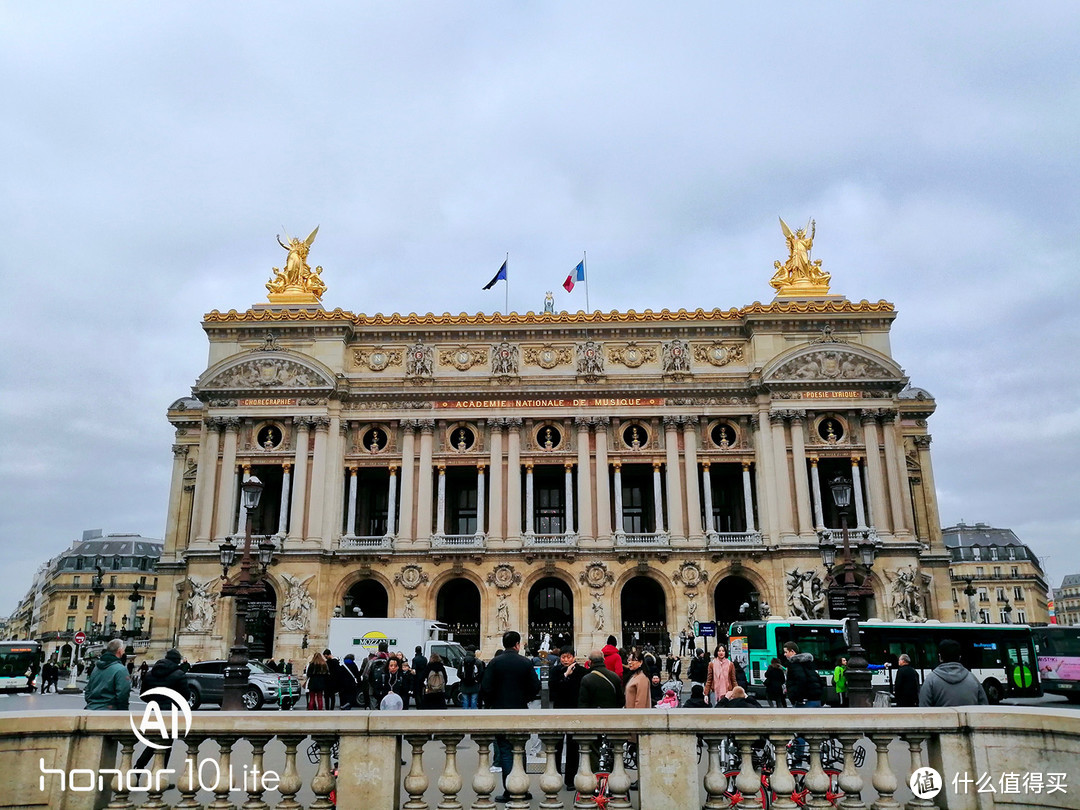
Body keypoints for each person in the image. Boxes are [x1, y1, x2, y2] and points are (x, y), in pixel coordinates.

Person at [481, 631, 541, 803]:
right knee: (519, 748)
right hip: (520, 710)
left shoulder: (494, 662)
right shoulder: (525, 663)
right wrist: (525, 698)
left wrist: (494, 702)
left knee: (506, 751)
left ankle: (509, 790)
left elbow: (486, 688)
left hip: (500, 711)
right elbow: (535, 686)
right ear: (517, 645)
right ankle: (522, 788)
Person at [135, 649, 188, 770]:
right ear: (177, 660)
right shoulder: (179, 674)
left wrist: (154, 702)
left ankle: (139, 767)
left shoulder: (150, 673)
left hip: (154, 712)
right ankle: (160, 775)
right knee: (166, 744)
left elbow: (143, 694)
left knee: (154, 741)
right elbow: (185, 696)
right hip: (171, 713)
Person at [548, 646, 586, 791]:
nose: (565, 660)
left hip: (575, 711)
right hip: (559, 711)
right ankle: (556, 775)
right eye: (563, 657)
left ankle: (570, 779)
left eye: (568, 657)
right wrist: (565, 676)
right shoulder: (556, 671)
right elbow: (552, 690)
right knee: (557, 745)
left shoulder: (582, 672)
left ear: (574, 657)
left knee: (573, 746)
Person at [919, 640, 988, 707]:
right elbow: (984, 706)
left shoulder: (931, 680)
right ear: (959, 657)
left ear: (940, 657)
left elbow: (924, 708)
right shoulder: (973, 679)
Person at [84, 639, 131, 711]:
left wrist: (91, 702)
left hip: (91, 708)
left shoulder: (96, 667)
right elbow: (123, 694)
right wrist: (123, 711)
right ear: (120, 651)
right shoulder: (121, 669)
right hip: (110, 710)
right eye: (123, 649)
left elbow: (88, 689)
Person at [782, 642, 823, 707]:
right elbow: (818, 679)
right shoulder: (808, 663)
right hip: (816, 699)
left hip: (804, 701)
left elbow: (801, 680)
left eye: (786, 652)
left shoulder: (794, 665)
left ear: (792, 651)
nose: (784, 654)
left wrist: (796, 698)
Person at [411, 645, 429, 710]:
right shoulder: (424, 659)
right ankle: (422, 704)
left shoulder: (415, 659)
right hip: (423, 677)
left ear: (415, 651)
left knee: (417, 693)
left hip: (416, 678)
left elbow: (414, 669)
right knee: (422, 692)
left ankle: (419, 705)